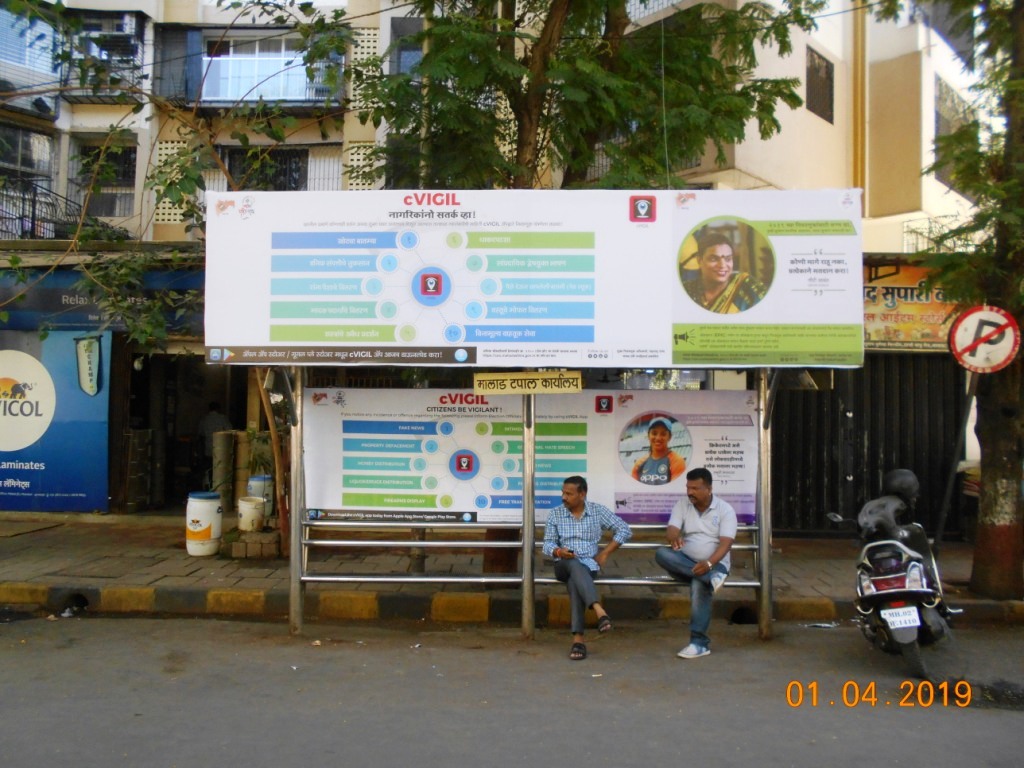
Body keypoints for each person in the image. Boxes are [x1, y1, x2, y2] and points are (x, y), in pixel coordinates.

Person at [542, 475, 632, 661]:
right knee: (573, 564)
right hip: (562, 565)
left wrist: (605, 553)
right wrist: (559, 551)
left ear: (582, 494)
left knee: (576, 581)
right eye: (563, 493)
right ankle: (599, 610)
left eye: (569, 494)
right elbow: (547, 544)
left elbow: (624, 529)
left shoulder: (597, 511)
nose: (564, 497)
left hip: (588, 565)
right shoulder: (556, 514)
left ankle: (578, 640)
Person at [654, 467, 737, 659]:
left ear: (708, 489)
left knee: (699, 584)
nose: (690, 492)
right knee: (661, 554)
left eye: (695, 488)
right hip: (686, 563)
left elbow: (726, 544)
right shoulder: (683, 505)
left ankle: (699, 644)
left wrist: (708, 564)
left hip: (715, 564)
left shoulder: (725, 510)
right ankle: (712, 579)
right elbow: (672, 529)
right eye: (688, 487)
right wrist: (674, 537)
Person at [682, 233, 768, 313]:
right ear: (700, 260)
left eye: (728, 259)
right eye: (714, 259)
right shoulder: (686, 290)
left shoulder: (748, 288)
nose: (723, 265)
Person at [631, 416, 686, 485]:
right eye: (654, 433)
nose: (658, 438)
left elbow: (675, 489)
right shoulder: (639, 464)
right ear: (648, 436)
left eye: (663, 434)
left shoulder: (677, 461)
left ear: (669, 437)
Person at [196, 401, 232, 485]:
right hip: (221, 450)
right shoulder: (222, 418)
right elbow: (230, 431)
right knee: (220, 471)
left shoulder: (204, 419)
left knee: (209, 471)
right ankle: (218, 487)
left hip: (208, 451)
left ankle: (208, 486)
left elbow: (200, 434)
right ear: (218, 409)